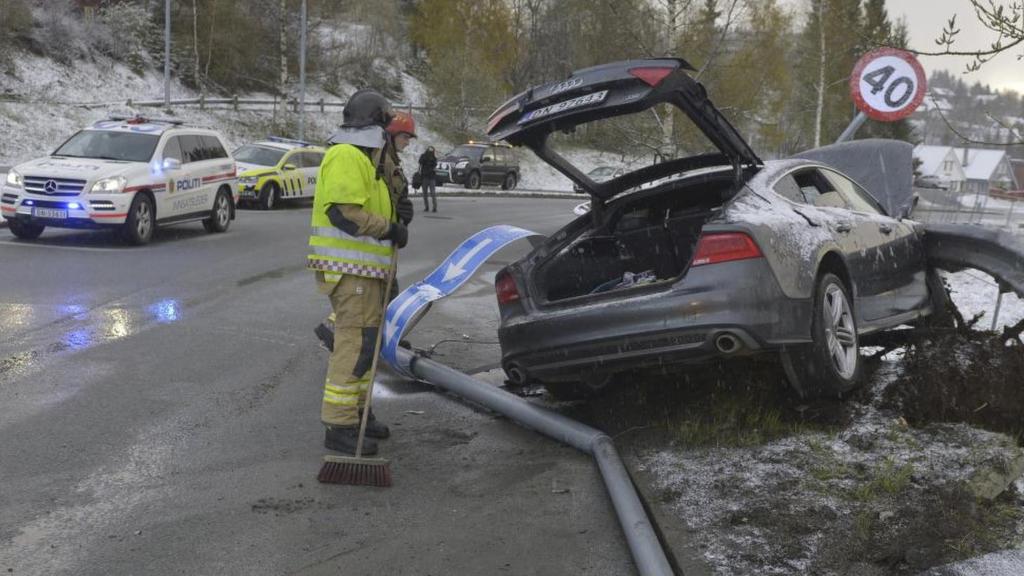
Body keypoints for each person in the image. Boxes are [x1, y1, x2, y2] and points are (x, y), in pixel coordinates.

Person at [308, 88, 409, 456]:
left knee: (367, 345)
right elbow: (345, 213)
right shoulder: (348, 155)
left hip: (367, 271)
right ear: (378, 124)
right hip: (351, 272)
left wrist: (400, 211)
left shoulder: (367, 158)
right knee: (352, 346)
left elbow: (378, 199)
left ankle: (357, 413)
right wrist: (389, 228)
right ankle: (339, 425)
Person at [418, 146, 438, 212]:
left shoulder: (424, 156)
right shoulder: (433, 157)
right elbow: (435, 164)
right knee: (433, 193)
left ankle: (427, 207)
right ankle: (434, 207)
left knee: (425, 194)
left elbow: (420, 162)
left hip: (425, 177)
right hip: (431, 177)